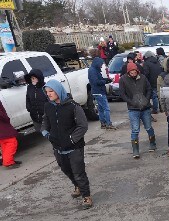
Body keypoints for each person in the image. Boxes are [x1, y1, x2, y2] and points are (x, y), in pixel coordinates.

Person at [41, 79, 92, 208]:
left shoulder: (73, 106)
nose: (49, 94)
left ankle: (86, 196)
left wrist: (71, 139)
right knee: (66, 169)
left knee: (78, 172)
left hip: (74, 147)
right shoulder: (48, 106)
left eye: (51, 91)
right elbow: (45, 122)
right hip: (58, 147)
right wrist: (46, 133)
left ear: (58, 90)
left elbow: (83, 126)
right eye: (47, 92)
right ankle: (77, 187)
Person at [119, 61, 155, 158]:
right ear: (128, 72)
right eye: (132, 73)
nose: (134, 74)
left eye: (135, 72)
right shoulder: (123, 79)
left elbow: (149, 89)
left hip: (145, 108)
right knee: (135, 130)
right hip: (133, 109)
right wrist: (131, 102)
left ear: (137, 71)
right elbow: (122, 94)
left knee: (148, 127)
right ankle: (135, 150)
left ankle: (152, 143)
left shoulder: (143, 77)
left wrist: (146, 100)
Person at [88, 57, 115, 130]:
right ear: (97, 63)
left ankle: (103, 123)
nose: (101, 66)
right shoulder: (93, 71)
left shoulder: (93, 69)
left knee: (100, 109)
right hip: (99, 92)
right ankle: (108, 124)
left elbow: (98, 80)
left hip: (96, 92)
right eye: (101, 64)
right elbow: (96, 82)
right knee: (106, 109)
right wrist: (106, 81)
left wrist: (107, 80)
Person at [25, 69, 47, 133]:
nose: (32, 80)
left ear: (39, 78)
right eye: (31, 78)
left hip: (45, 117)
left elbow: (50, 101)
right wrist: (29, 108)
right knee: (40, 131)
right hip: (35, 117)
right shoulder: (30, 87)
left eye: (34, 78)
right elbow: (28, 98)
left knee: (49, 132)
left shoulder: (45, 87)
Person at [0, 98, 20, 168]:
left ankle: (7, 160)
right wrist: (6, 118)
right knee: (11, 142)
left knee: (4, 144)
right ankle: (8, 162)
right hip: (2, 125)